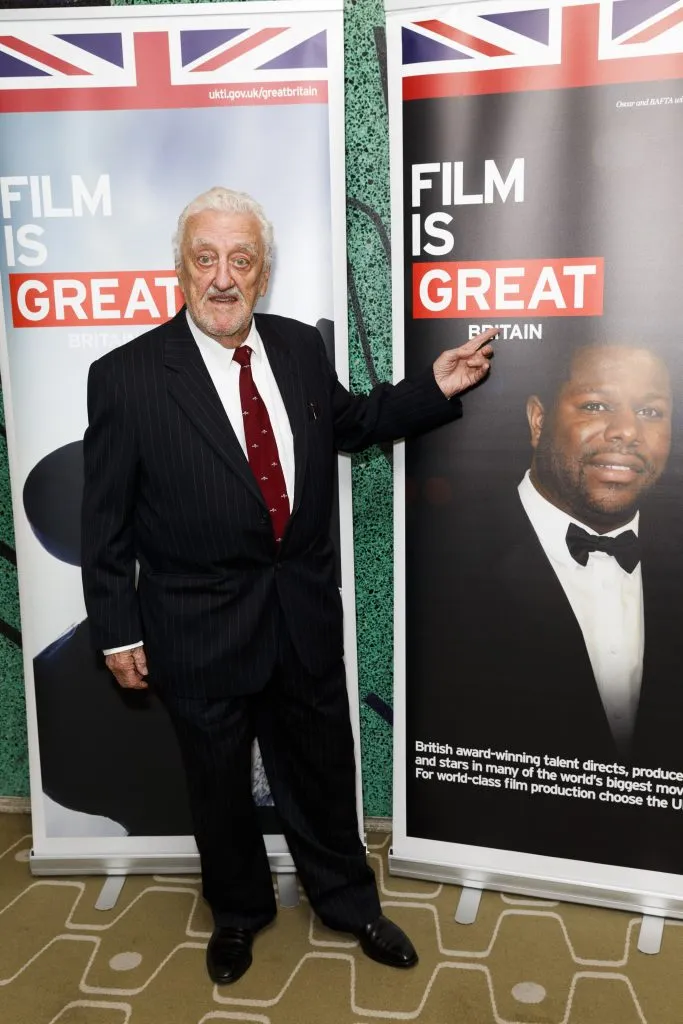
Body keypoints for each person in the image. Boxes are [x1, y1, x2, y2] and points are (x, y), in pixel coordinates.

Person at [80, 186, 496, 985]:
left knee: (320, 773)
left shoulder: (299, 346)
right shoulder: (125, 376)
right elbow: (105, 522)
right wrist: (117, 628)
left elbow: (349, 423)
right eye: (205, 259)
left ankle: (349, 903)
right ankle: (238, 912)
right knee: (218, 786)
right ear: (180, 270)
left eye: (241, 259)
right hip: (195, 628)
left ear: (262, 273)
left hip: (299, 616)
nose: (222, 277)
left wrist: (434, 387)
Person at [406, 340, 683, 871]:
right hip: (503, 847)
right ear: (538, 420)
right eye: (597, 405)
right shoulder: (441, 549)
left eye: (650, 412)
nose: (627, 431)